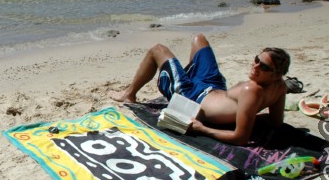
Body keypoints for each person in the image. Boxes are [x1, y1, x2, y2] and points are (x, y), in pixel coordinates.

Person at [109, 34, 290, 146]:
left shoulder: (253, 89)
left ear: (275, 74)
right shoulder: (280, 87)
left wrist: (203, 128)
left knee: (158, 50)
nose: (255, 66)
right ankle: (187, 75)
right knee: (199, 39)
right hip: (213, 86)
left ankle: (129, 94)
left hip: (192, 96)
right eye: (257, 59)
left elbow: (240, 138)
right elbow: (275, 121)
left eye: (264, 67)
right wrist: (246, 116)